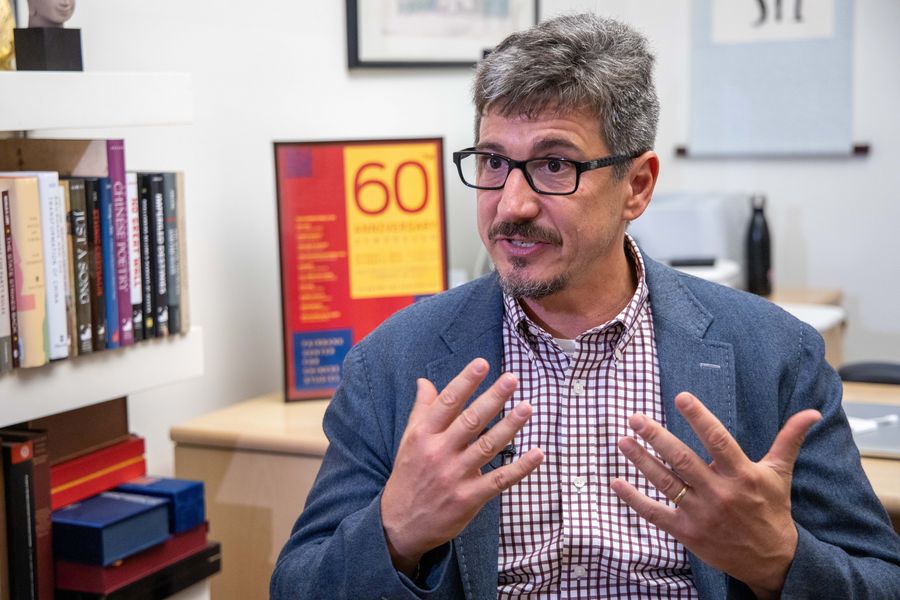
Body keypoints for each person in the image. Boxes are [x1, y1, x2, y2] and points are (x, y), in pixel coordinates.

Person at [270, 13, 900, 599]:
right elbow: (297, 585)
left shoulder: (774, 354)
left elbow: (879, 579)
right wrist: (395, 533)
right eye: (493, 161)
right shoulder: (392, 362)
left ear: (637, 186)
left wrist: (779, 560)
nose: (511, 204)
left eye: (554, 165)